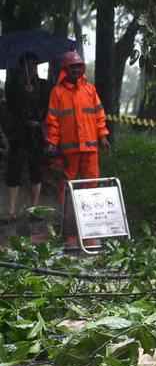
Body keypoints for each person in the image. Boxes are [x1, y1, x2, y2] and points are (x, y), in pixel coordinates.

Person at [45, 51, 111, 246]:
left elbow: (99, 115)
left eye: (78, 66)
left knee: (92, 188)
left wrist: (103, 135)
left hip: (90, 149)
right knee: (67, 190)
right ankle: (70, 232)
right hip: (68, 152)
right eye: (72, 67)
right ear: (65, 70)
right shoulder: (57, 93)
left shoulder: (90, 89)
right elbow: (53, 121)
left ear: (82, 68)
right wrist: (51, 142)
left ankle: (91, 232)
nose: (76, 70)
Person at [4, 52, 49, 222]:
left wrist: (40, 123)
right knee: (14, 169)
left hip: (36, 134)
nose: (31, 68)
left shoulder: (43, 85)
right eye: (27, 65)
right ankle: (11, 210)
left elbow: (47, 108)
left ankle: (34, 210)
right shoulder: (13, 86)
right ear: (21, 67)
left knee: (36, 171)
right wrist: (22, 93)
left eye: (33, 64)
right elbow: (10, 108)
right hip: (18, 134)